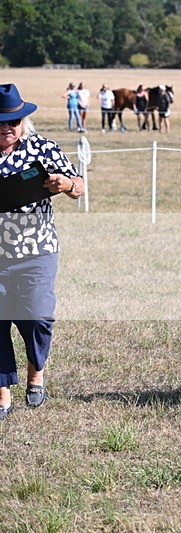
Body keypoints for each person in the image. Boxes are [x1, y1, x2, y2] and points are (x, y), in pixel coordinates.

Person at [0, 83, 84, 420]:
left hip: (37, 250)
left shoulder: (43, 149)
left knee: (37, 316)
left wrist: (65, 184)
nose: (6, 128)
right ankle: (2, 393)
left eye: (12, 122)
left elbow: (78, 186)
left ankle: (37, 372)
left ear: (23, 121)